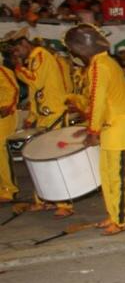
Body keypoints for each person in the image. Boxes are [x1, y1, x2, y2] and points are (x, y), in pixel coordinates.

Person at [65, 24, 125, 235]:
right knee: (107, 175)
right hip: (111, 128)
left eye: (74, 49)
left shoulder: (100, 66)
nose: (74, 53)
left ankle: (120, 220)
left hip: (120, 128)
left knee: (117, 176)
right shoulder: (102, 63)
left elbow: (99, 101)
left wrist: (92, 130)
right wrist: (92, 126)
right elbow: (97, 102)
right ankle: (113, 214)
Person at [3, 27, 73, 214]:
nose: (16, 55)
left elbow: (35, 82)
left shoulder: (41, 55)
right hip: (43, 115)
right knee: (39, 159)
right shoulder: (34, 58)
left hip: (54, 114)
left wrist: (18, 67)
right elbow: (35, 93)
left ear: (24, 44)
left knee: (56, 159)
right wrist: (32, 115)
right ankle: (44, 200)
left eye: (17, 51)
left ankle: (64, 204)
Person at [0, 62, 19, 202]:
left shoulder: (2, 71)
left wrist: (7, 106)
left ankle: (9, 189)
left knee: (1, 150)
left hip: (4, 116)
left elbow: (14, 89)